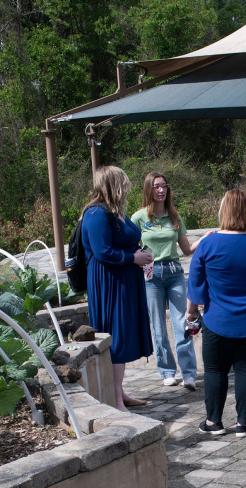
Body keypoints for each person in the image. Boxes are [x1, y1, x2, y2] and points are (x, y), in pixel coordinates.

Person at [187, 189, 246, 437]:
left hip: (218, 320)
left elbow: (195, 286)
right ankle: (243, 423)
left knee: (215, 371)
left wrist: (191, 313)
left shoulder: (208, 244)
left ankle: (213, 422)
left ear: (224, 211)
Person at [83, 165, 153, 410]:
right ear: (112, 185)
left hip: (125, 280)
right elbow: (102, 252)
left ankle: (119, 392)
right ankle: (114, 400)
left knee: (123, 335)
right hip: (110, 283)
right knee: (117, 337)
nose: (127, 187)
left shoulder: (114, 213)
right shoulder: (96, 214)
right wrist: (132, 258)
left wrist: (141, 254)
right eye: (123, 183)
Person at [131, 171, 198, 391]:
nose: (161, 190)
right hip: (151, 275)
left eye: (164, 186)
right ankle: (167, 371)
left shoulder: (174, 216)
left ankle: (188, 373)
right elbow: (130, 246)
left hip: (174, 271)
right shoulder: (139, 218)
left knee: (182, 323)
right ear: (149, 189)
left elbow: (186, 249)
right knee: (158, 325)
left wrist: (206, 240)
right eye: (156, 186)